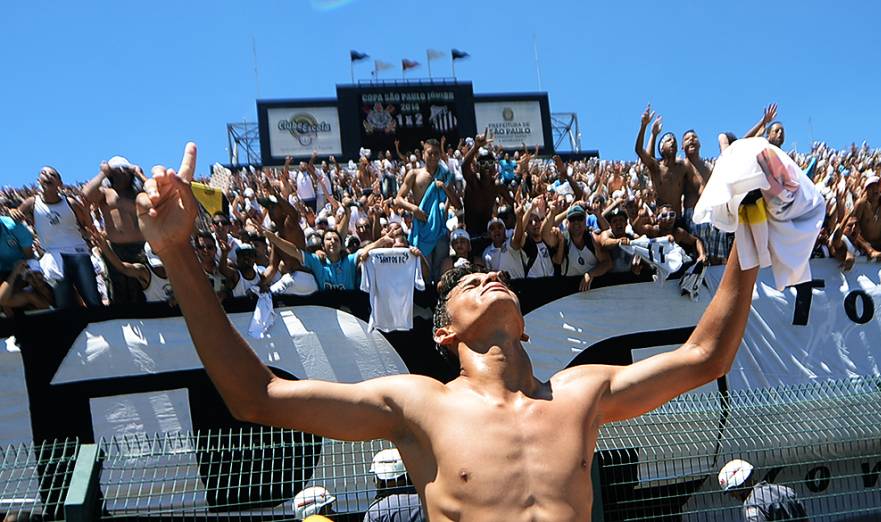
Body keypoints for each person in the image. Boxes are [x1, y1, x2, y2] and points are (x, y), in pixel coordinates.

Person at [138, 142, 759, 521]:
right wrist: (176, 254)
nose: (487, 276)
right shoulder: (418, 406)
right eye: (466, 285)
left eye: (491, 275)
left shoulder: (581, 392)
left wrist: (754, 231)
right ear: (444, 336)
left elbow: (705, 355)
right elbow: (258, 397)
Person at [12, 166, 101, 308]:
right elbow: (14, 217)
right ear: (38, 180)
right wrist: (13, 212)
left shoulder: (70, 203)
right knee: (63, 303)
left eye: (52, 174)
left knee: (92, 299)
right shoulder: (32, 203)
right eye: (43, 173)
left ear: (60, 183)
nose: (47, 176)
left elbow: (87, 226)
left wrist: (86, 214)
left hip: (78, 253)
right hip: (53, 258)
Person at [82, 156, 147, 304]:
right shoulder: (105, 193)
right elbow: (86, 195)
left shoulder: (138, 192)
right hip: (116, 248)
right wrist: (103, 173)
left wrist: (139, 174)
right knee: (119, 288)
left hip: (140, 247)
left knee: (141, 286)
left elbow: (155, 195)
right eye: (117, 172)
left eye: (124, 171)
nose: (121, 174)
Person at [396, 139, 461, 281]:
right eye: (430, 153)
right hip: (422, 226)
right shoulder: (414, 174)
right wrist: (414, 209)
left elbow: (457, 204)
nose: (433, 157)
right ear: (423, 154)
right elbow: (398, 199)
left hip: (440, 229)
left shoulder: (445, 175)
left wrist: (445, 187)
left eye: (436, 154)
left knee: (441, 272)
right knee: (423, 270)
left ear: (439, 156)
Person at [635, 105, 687, 216]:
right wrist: (644, 126)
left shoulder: (682, 167)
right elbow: (639, 150)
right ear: (662, 148)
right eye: (668, 140)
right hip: (660, 218)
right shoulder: (657, 167)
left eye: (675, 141)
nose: (673, 142)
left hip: (677, 219)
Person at [718, 459, 808, 521]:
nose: (733, 496)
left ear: (740, 487)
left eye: (732, 491)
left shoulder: (752, 503)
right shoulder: (785, 491)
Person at [553, 205, 610, 291]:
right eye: (572, 219)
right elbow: (547, 230)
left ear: (585, 221)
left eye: (580, 218)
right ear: (567, 222)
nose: (576, 222)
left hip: (593, 290)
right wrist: (566, 211)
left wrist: (591, 274)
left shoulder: (593, 239)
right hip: (567, 291)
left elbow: (607, 263)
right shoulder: (562, 239)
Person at [363, 449, 424, 522]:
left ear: (382, 480)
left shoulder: (377, 511)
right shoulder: (428, 501)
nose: (374, 480)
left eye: (376, 477)